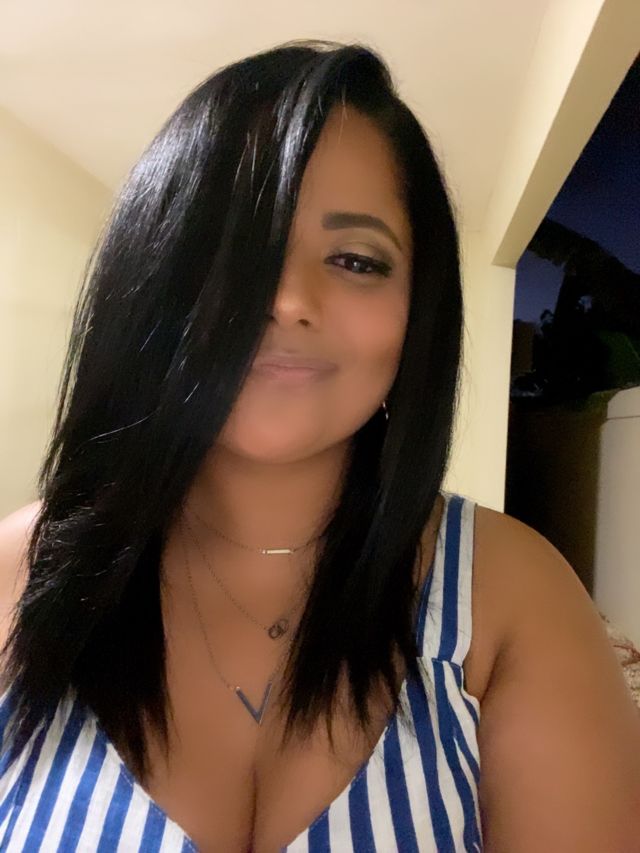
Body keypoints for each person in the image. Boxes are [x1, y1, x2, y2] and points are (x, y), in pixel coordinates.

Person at [0, 39, 639, 853]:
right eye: (234, 250)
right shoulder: (21, 572)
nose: (288, 298)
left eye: (356, 260)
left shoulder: (514, 598)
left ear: (417, 315)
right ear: (150, 278)